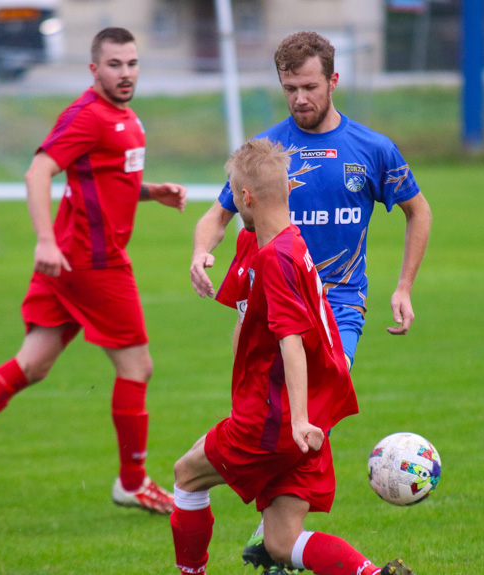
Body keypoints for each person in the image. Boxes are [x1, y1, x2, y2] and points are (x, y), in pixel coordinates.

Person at [189, 31, 432, 569]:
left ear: (333, 81)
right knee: (269, 412)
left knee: (312, 398)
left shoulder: (372, 149)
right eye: (290, 87)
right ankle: (278, 534)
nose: (300, 98)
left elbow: (420, 211)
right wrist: (202, 252)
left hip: (337, 308)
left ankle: (275, 533)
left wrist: (403, 286)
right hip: (274, 304)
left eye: (309, 86)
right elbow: (219, 213)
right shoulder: (270, 152)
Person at [0, 27, 186, 515]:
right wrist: (43, 239)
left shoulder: (123, 115)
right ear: (94, 69)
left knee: (34, 363)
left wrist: (149, 192)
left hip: (66, 261)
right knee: (137, 367)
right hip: (90, 261)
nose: (125, 73)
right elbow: (38, 171)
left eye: (131, 64)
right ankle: (133, 481)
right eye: (114, 65)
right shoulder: (88, 114)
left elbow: (103, 177)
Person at [171, 138, 413, 575]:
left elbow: (292, 342)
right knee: (282, 542)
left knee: (186, 475)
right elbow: (249, 322)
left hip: (276, 421)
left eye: (233, 191)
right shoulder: (282, 243)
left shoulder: (277, 259)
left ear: (246, 197)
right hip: (303, 417)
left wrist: (297, 419)